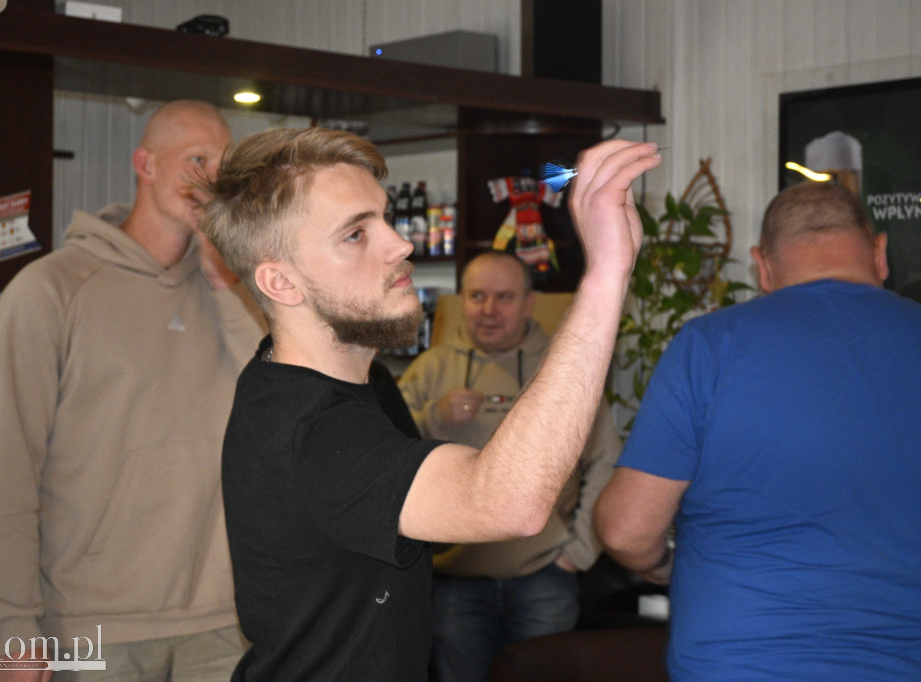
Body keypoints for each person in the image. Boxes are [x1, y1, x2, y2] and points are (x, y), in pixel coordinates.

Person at [198, 126, 660, 681]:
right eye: (355, 234)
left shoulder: (357, 385)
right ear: (281, 282)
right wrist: (606, 275)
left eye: (385, 219)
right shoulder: (307, 426)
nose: (400, 245)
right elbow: (506, 502)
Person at [0, 100, 267, 681]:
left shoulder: (237, 296)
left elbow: (280, 400)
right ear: (145, 165)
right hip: (93, 627)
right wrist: (12, 627)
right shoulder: (49, 291)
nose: (213, 181)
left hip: (222, 623)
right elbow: (8, 473)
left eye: (224, 167)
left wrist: (223, 280)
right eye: (197, 160)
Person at [594, 181, 921, 679]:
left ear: (761, 266)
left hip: (739, 662)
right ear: (880, 253)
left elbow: (627, 529)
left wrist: (663, 566)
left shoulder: (709, 345)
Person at [398, 250, 621, 682]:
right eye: (477, 296)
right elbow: (387, 457)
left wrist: (578, 552)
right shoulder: (431, 369)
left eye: (504, 297)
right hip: (455, 579)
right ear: (461, 300)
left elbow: (604, 462)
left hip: (545, 576)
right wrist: (433, 418)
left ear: (528, 303)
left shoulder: (563, 371)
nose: (489, 309)